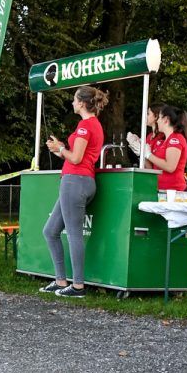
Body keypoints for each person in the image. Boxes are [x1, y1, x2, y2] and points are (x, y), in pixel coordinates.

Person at [41, 86, 108, 298]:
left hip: (75, 182)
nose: (72, 102)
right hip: (80, 181)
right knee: (50, 231)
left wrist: (61, 149)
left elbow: (76, 158)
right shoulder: (94, 125)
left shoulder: (85, 125)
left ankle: (78, 286)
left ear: (81, 103)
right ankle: (61, 281)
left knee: (74, 234)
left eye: (74, 99)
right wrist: (60, 148)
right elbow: (77, 156)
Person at [143, 105, 187, 193]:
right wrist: (143, 153)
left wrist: (148, 155)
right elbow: (153, 168)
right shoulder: (164, 140)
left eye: (159, 118)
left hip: (173, 190)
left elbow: (170, 167)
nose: (157, 121)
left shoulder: (176, 138)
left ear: (166, 119)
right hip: (160, 189)